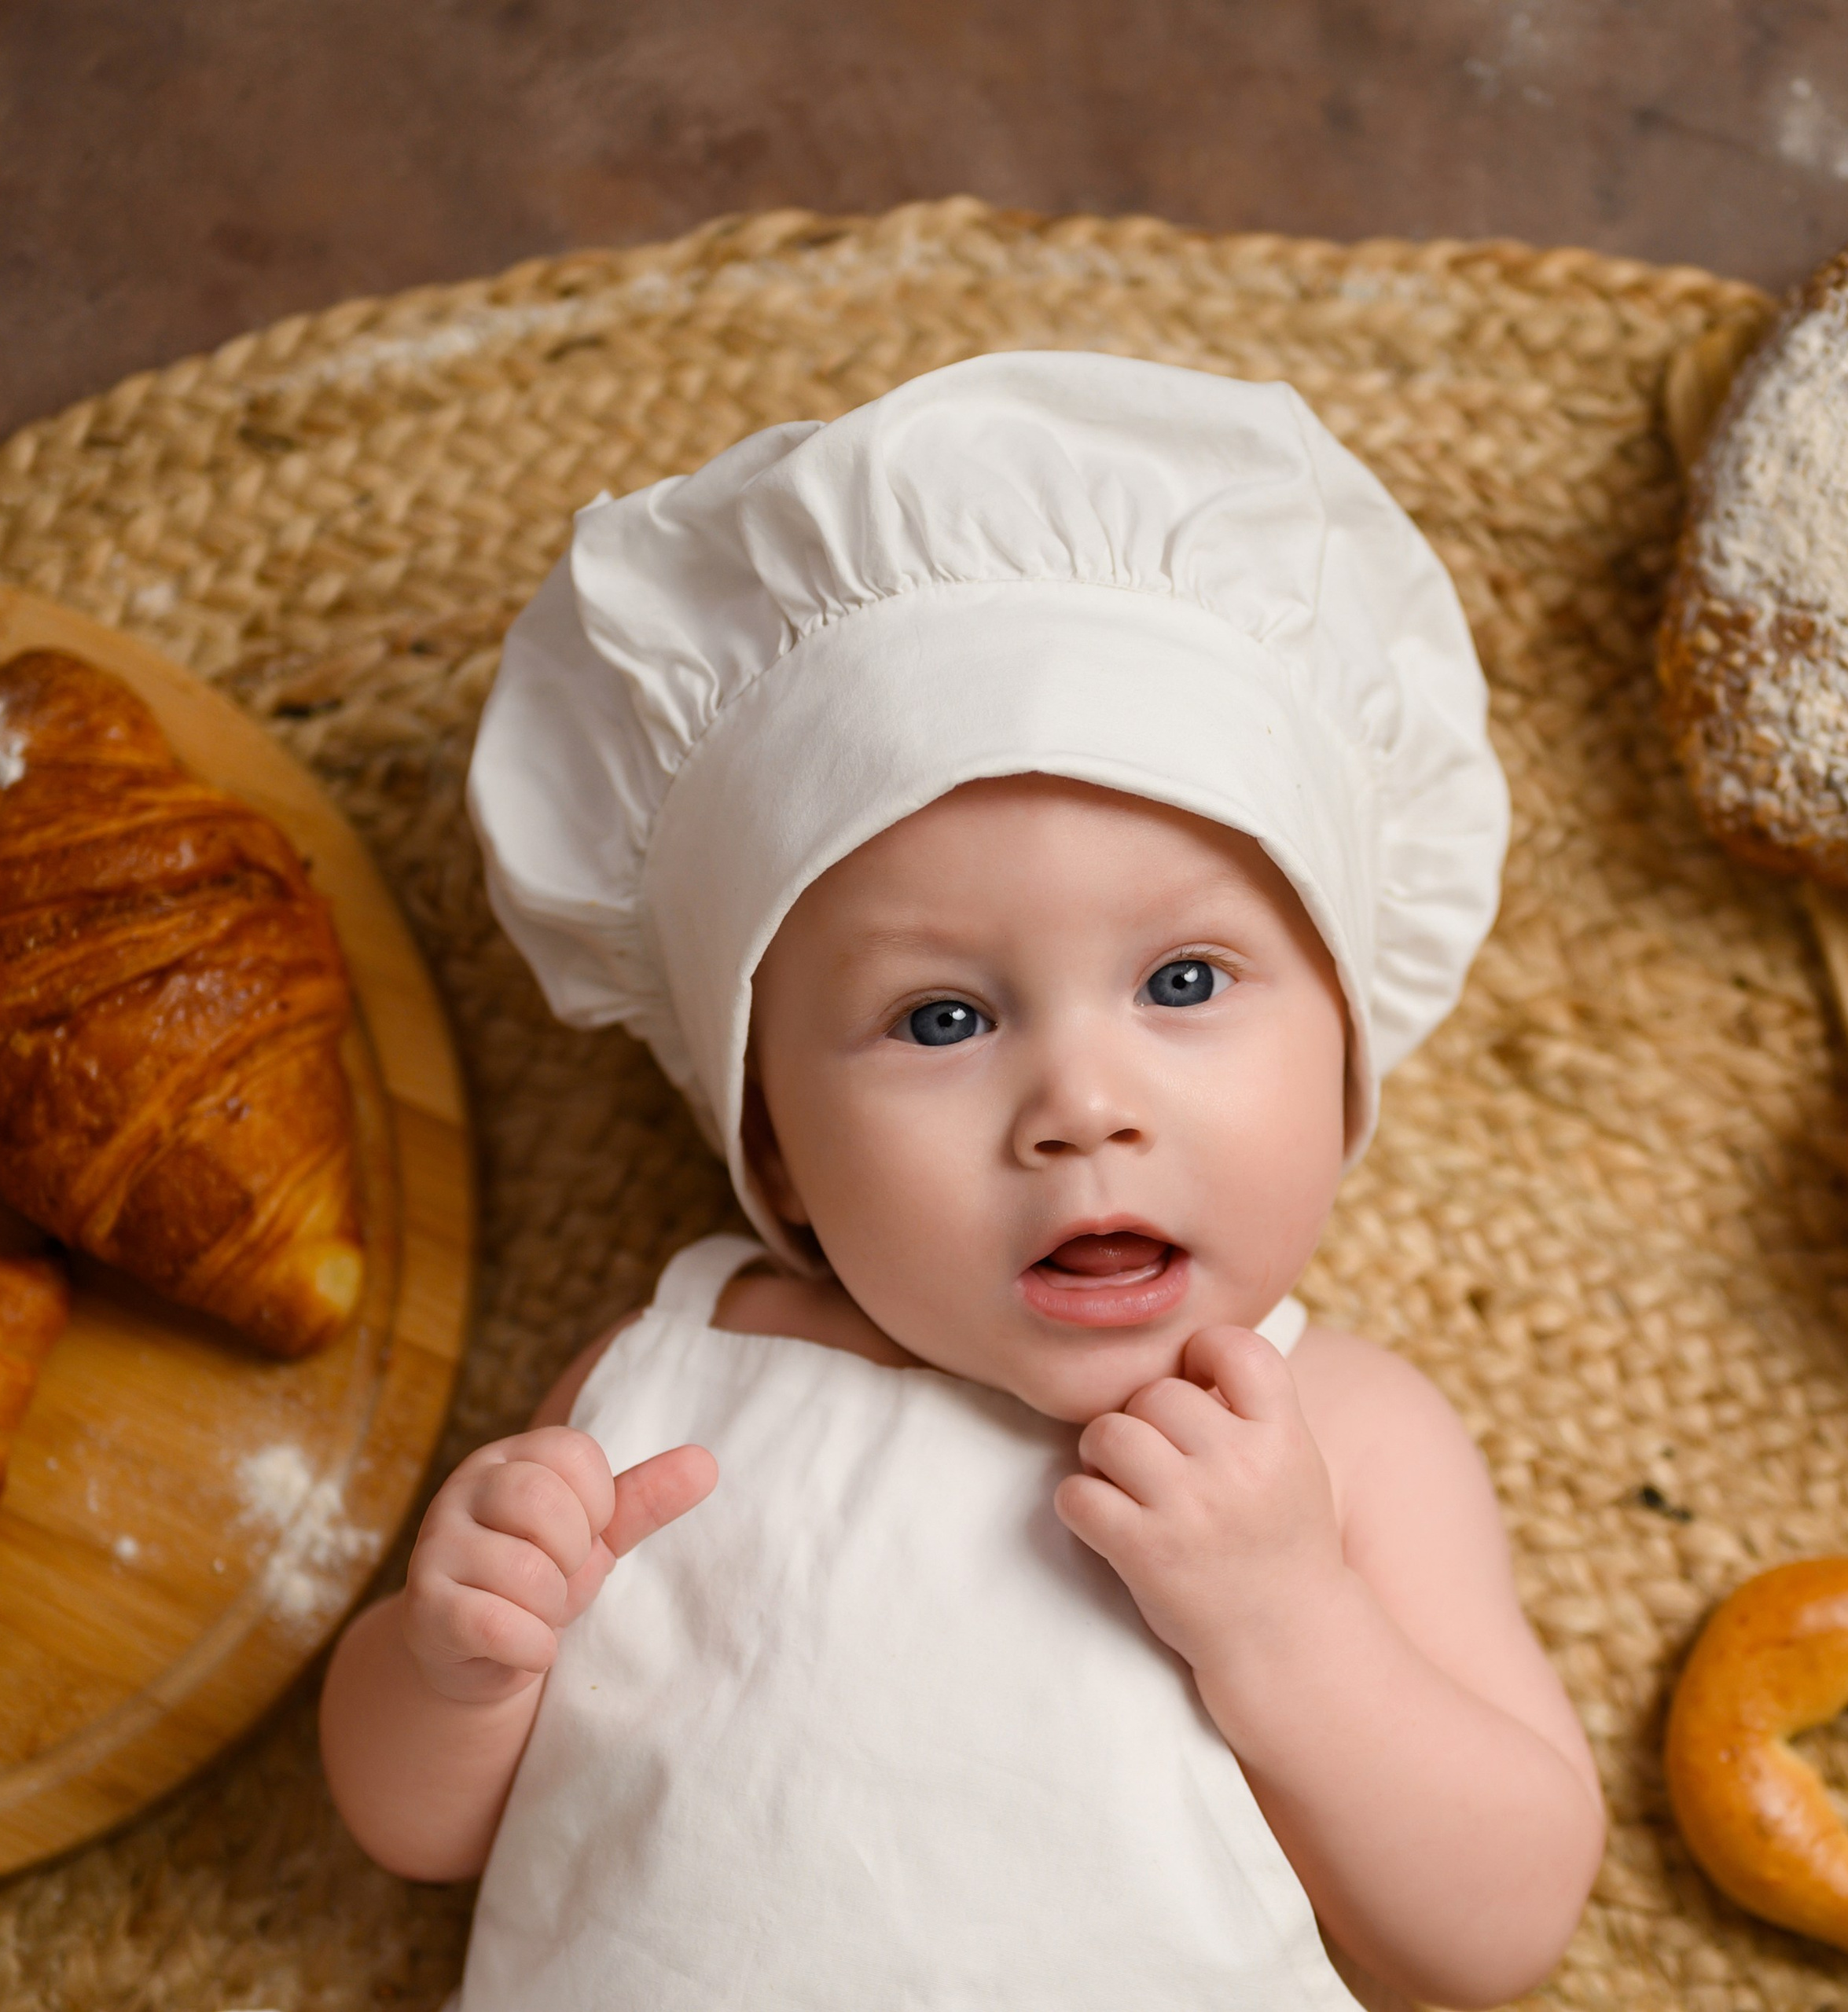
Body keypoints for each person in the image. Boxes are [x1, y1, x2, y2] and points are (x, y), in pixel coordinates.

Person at [319, 351, 1605, 2011]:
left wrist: (1284, 1619)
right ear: (768, 1134)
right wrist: (453, 1660)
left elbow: (1490, 1931)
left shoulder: (1334, 1435)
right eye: (941, 1016)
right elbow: (414, 1821)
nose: (1077, 1104)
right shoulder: (677, 1378)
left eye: (1185, 982)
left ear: (1349, 1044)